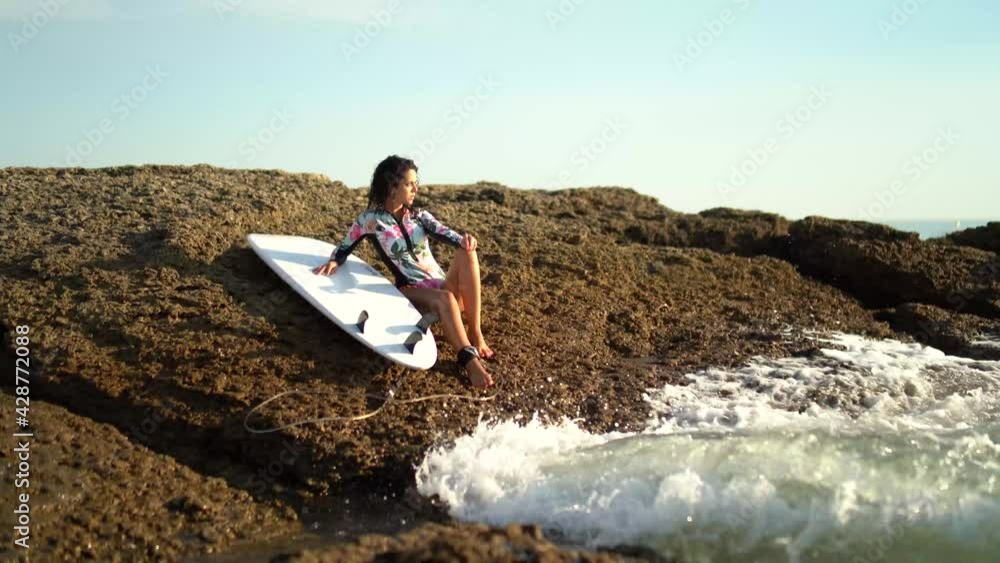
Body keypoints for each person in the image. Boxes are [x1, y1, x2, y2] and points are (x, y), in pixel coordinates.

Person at [312, 155, 495, 388]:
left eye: (415, 183)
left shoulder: (419, 216)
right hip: (411, 292)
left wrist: (466, 239)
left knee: (467, 252)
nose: (415, 189)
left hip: (441, 288)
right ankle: (469, 361)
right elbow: (345, 247)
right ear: (392, 187)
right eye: (409, 184)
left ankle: (475, 332)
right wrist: (335, 261)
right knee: (446, 299)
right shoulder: (370, 221)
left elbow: (448, 234)